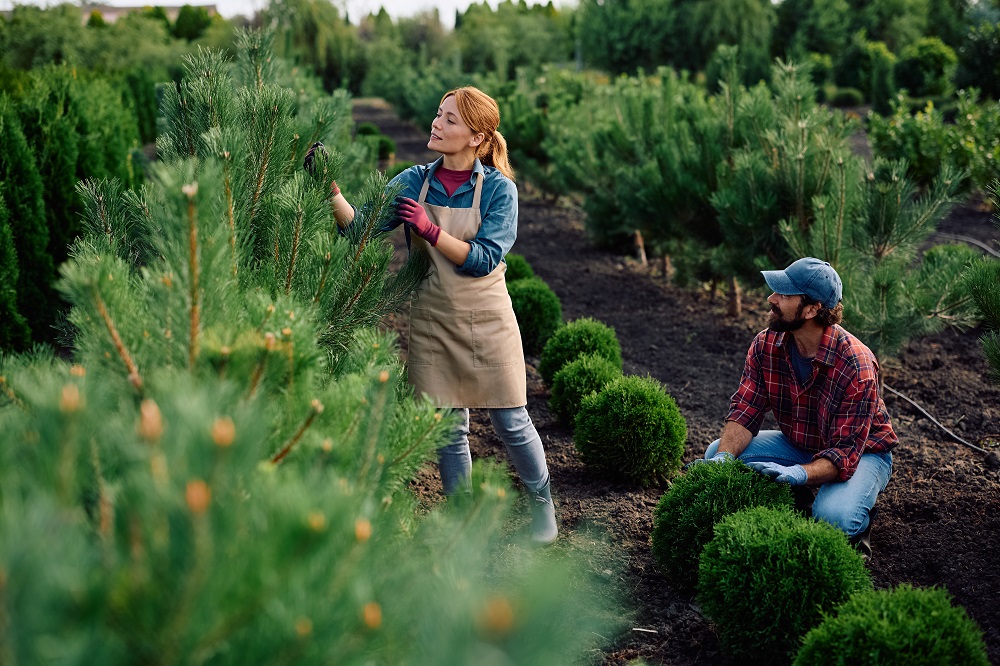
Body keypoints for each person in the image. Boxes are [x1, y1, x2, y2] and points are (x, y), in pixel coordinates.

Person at [328, 86, 558, 545]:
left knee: (511, 420)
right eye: (438, 115)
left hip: (487, 317)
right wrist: (330, 188)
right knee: (449, 427)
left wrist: (429, 230)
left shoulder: (498, 190)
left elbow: (482, 259)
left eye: (450, 120)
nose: (438, 123)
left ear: (477, 137)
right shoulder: (413, 181)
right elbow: (358, 230)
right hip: (433, 317)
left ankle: (542, 507)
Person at [696, 257, 896, 559]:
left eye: (784, 295)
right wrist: (725, 456)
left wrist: (800, 474)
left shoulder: (856, 364)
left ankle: (856, 522)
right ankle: (798, 502)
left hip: (861, 453)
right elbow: (746, 409)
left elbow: (844, 453)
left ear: (813, 309)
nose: (770, 299)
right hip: (802, 444)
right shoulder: (766, 345)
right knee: (717, 454)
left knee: (833, 517)